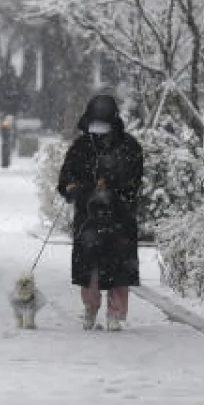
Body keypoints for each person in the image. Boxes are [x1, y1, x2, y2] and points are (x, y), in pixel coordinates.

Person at [57, 93, 143, 331]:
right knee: (90, 269)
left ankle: (116, 313)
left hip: (119, 217)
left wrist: (112, 185)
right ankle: (90, 308)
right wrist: (79, 189)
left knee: (119, 269)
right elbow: (66, 179)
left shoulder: (129, 147)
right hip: (89, 218)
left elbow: (133, 182)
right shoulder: (81, 147)